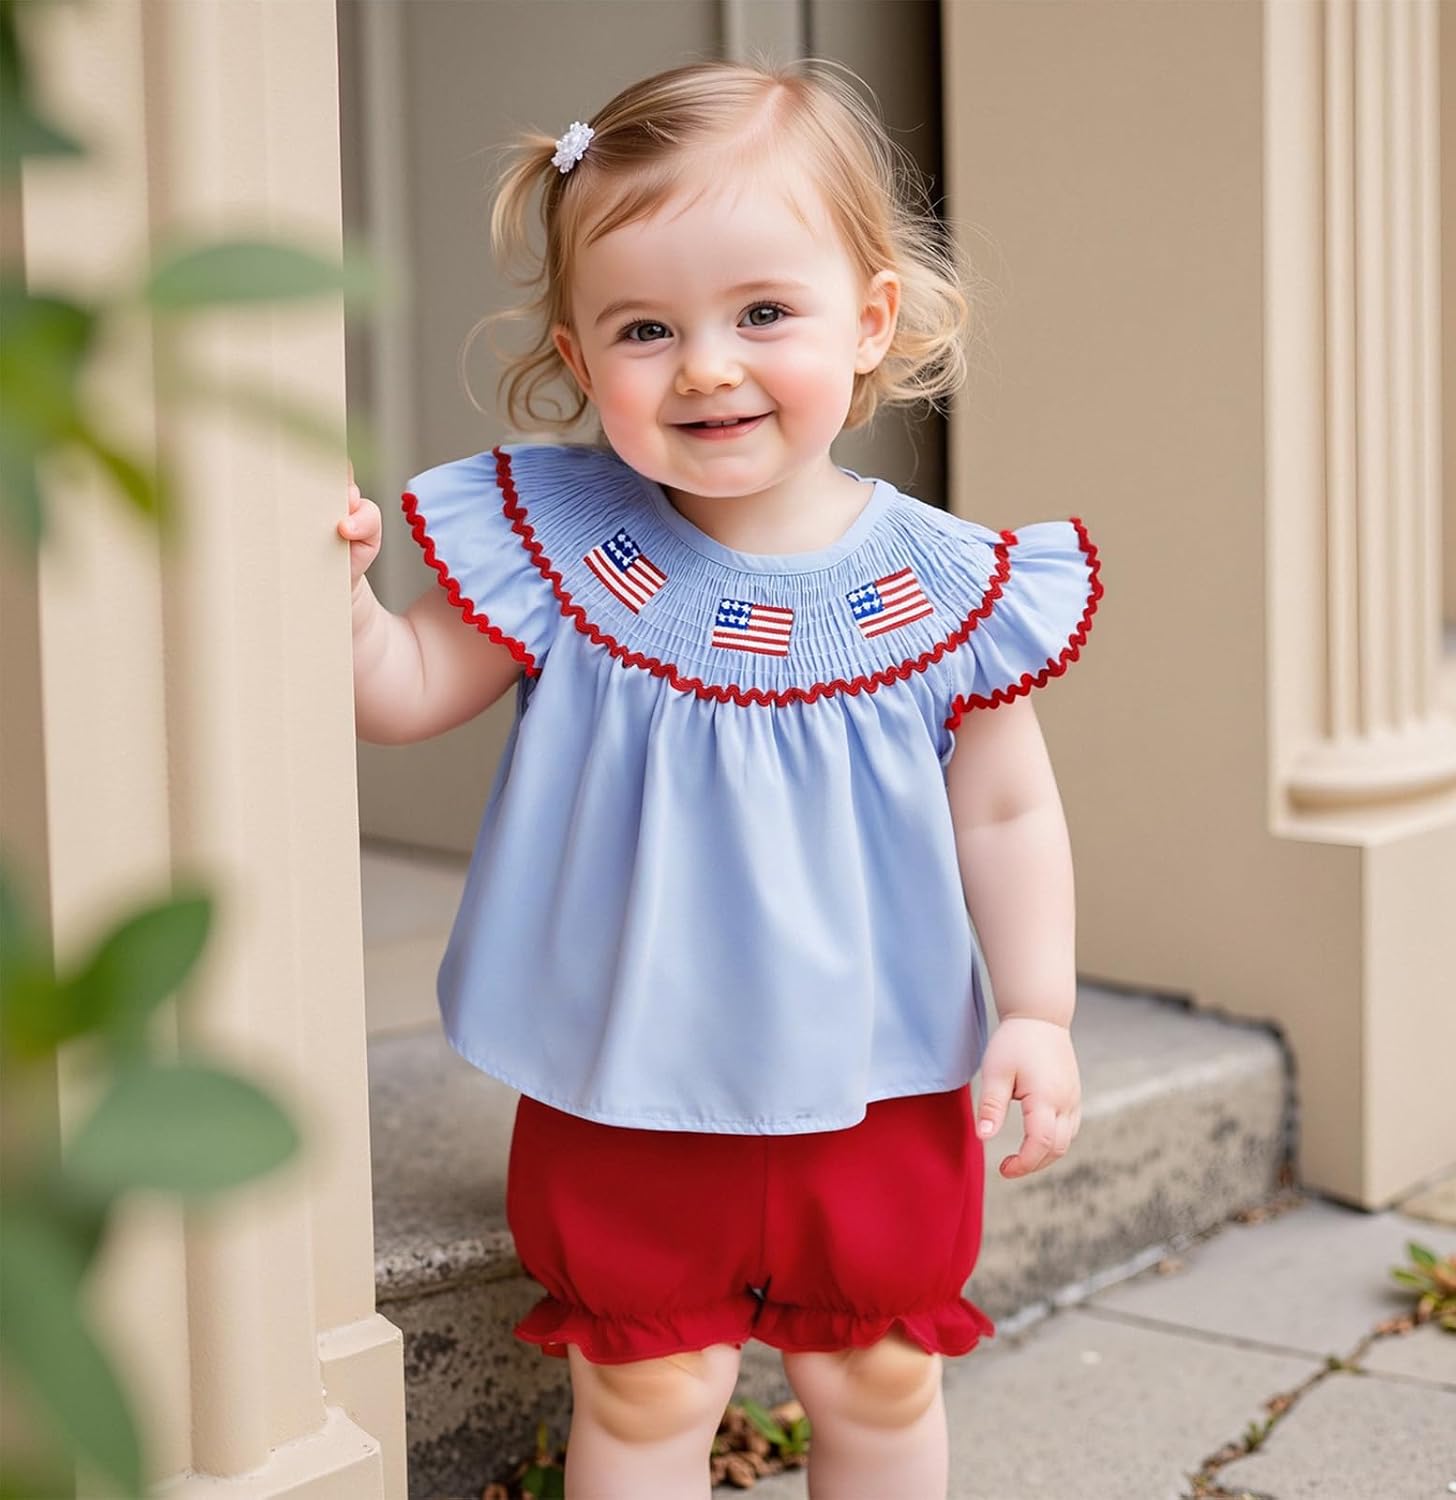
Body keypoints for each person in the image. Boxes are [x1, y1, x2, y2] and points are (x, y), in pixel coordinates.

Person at [339, 57, 1102, 1500]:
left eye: (762, 312)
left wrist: (1042, 1011)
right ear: (576, 354)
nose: (705, 364)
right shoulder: (570, 552)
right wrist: (337, 594)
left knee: (878, 1371)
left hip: (878, 1079)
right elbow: (404, 690)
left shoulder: (944, 588)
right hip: (629, 1077)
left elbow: (1005, 806)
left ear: (870, 319)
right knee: (641, 1387)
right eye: (646, 327)